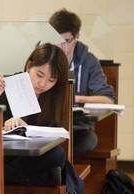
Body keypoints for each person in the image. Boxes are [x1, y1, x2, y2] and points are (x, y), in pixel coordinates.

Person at [0, 43, 69, 187]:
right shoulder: (6, 85)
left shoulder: (56, 97)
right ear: (29, 66)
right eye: (39, 75)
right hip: (5, 155)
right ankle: (34, 179)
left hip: (32, 157)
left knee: (58, 154)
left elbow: (56, 135)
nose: (42, 83)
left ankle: (15, 177)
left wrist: (27, 128)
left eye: (51, 80)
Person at [49, 8, 115, 155]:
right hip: (48, 123)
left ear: (76, 37)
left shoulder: (89, 61)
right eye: (55, 40)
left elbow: (108, 100)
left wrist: (75, 98)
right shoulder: (43, 56)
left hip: (78, 126)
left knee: (88, 140)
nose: (59, 47)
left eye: (65, 41)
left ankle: (62, 170)